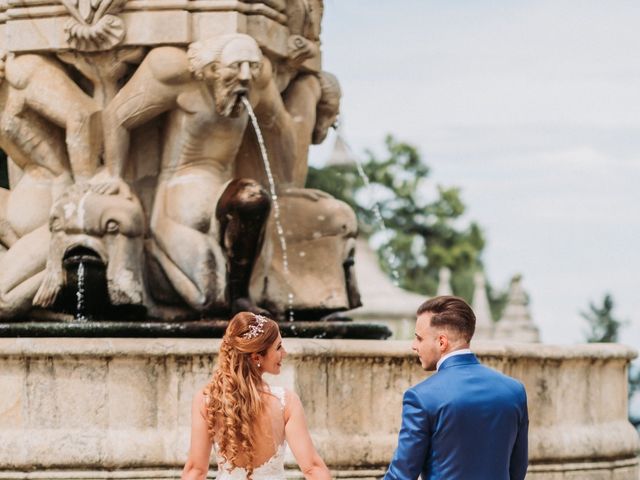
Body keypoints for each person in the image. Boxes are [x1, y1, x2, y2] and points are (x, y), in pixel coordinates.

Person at [384, 296, 529, 480]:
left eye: (419, 338)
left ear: (442, 342)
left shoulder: (421, 397)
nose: (414, 346)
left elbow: (401, 476)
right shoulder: (514, 391)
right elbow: (517, 470)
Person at [182, 312, 331, 480]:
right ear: (256, 357)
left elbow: (195, 470)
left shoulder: (206, 401)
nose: (285, 353)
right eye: (278, 347)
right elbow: (312, 468)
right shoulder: (286, 402)